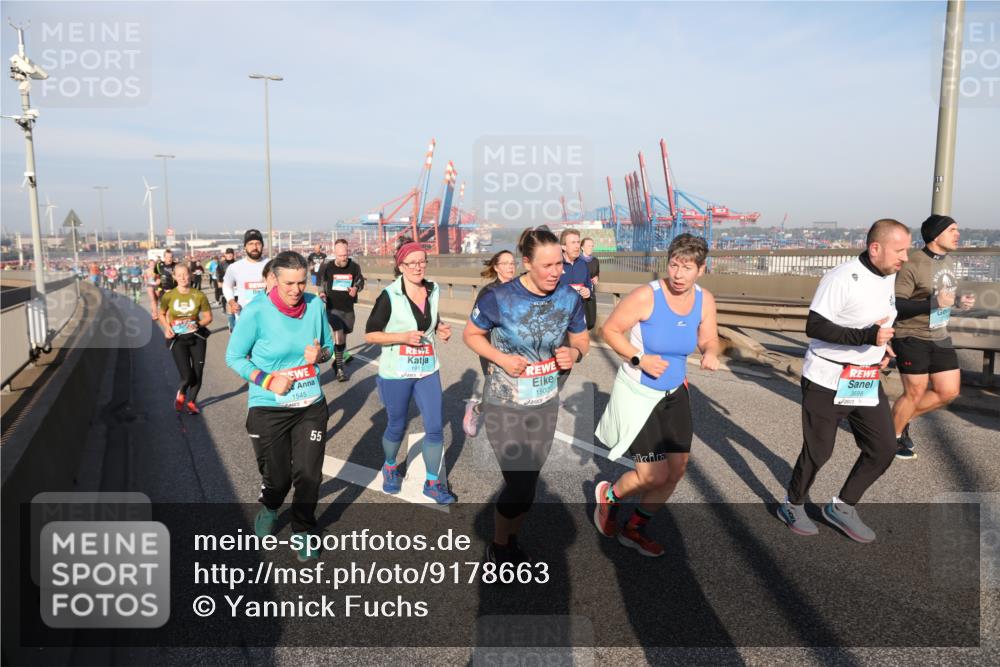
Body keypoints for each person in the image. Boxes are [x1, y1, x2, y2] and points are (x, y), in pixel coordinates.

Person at [775, 218, 910, 543]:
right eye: (900, 250)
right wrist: (867, 336)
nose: (904, 257)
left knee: (884, 447)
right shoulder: (841, 277)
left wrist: (881, 346)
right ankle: (792, 504)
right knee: (819, 451)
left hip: (863, 378)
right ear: (874, 247)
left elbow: (873, 323)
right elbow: (815, 327)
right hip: (827, 376)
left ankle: (842, 507)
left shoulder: (887, 276)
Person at [463, 228, 589, 564]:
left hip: (545, 402)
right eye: (546, 265)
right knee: (519, 486)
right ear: (526, 263)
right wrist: (501, 359)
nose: (555, 272)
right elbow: (471, 335)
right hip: (504, 402)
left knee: (528, 486)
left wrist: (573, 354)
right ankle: (501, 546)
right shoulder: (499, 297)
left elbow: (582, 340)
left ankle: (511, 538)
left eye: (559, 264)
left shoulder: (569, 298)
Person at [592, 234, 720, 557]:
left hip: (675, 393)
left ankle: (634, 529)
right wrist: (640, 358)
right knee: (653, 474)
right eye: (674, 265)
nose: (678, 274)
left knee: (675, 471)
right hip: (639, 393)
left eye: (687, 268)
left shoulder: (704, 300)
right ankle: (609, 497)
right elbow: (610, 330)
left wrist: (710, 352)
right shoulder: (647, 296)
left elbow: (709, 337)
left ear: (701, 270)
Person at [225, 251, 332, 563]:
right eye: (289, 283)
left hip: (310, 403)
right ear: (274, 279)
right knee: (279, 479)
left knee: (309, 475)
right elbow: (234, 357)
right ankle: (271, 506)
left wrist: (321, 356)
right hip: (269, 407)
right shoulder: (256, 311)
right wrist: (267, 380)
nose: (296, 290)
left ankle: (303, 529)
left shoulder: (315, 306)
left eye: (302, 282)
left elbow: (327, 348)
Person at [364, 239, 456, 504]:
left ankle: (432, 482)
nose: (418, 267)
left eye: (422, 261)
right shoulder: (389, 296)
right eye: (411, 263)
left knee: (435, 426)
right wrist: (402, 336)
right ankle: (390, 466)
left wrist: (441, 328)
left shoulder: (434, 289)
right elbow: (370, 335)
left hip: (427, 368)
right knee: (397, 424)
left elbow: (431, 318)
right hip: (397, 372)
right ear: (400, 266)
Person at [890, 214, 975, 460]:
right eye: (952, 230)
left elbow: (941, 299)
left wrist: (958, 302)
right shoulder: (913, 263)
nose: (958, 234)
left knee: (948, 392)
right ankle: (892, 437)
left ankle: (900, 418)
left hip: (939, 335)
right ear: (936, 235)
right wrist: (934, 302)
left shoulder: (947, 262)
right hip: (911, 335)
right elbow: (897, 305)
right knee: (914, 392)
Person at [462, 249, 517, 437]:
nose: (510, 266)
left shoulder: (521, 288)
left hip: (516, 349)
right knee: (494, 395)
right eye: (506, 263)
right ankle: (475, 410)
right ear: (496, 267)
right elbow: (476, 326)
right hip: (493, 349)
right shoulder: (489, 292)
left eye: (512, 263)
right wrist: (490, 353)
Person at [159, 264, 213, 414]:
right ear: (174, 277)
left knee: (198, 371)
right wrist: (167, 327)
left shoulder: (199, 295)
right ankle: (182, 392)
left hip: (197, 337)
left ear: (190, 275)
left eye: (185, 274)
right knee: (187, 375)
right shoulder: (169, 296)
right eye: (179, 275)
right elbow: (161, 313)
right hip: (178, 338)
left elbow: (208, 317)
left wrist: (197, 324)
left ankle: (191, 402)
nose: (183, 277)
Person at [320, 239, 365, 382]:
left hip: (348, 308)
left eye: (345, 254)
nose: (344, 258)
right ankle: (340, 370)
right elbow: (321, 282)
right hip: (333, 308)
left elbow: (360, 281)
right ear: (335, 254)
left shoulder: (354, 266)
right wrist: (322, 293)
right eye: (340, 255)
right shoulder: (327, 267)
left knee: (343, 338)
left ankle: (337, 362)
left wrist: (356, 288)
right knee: (338, 335)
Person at [222, 230, 268, 333]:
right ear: (245, 247)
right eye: (251, 244)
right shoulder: (235, 267)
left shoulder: (271, 264)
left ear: (262, 246)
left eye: (258, 243)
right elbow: (227, 286)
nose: (255, 247)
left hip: (268, 318)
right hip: (244, 318)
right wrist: (232, 301)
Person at [581, 237, 600, 331]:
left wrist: (597, 277)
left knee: (591, 320)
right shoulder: (578, 261)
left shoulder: (595, 261)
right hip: (580, 294)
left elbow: (597, 273)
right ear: (582, 247)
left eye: (592, 246)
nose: (590, 248)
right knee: (582, 320)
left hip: (591, 293)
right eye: (588, 246)